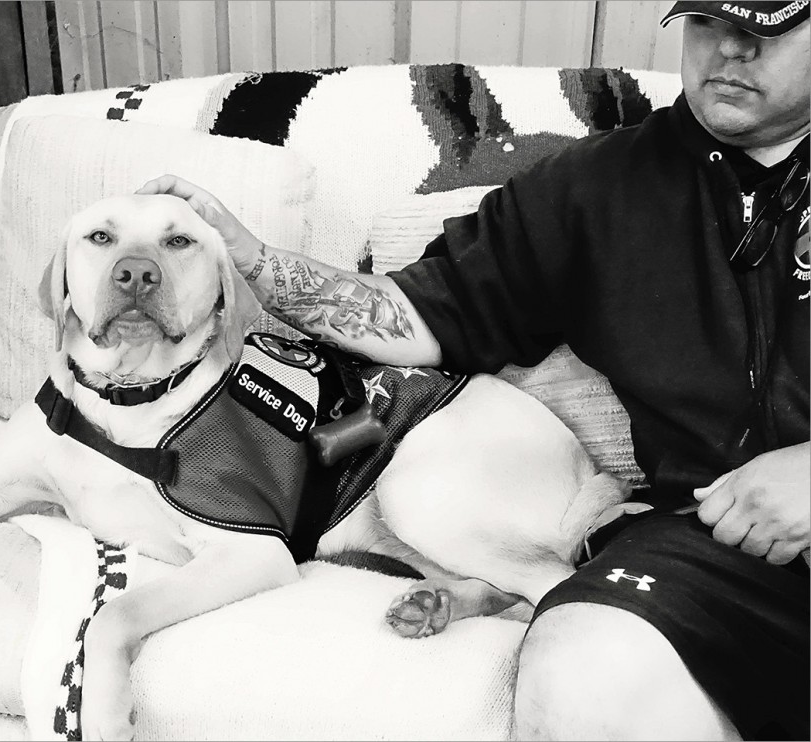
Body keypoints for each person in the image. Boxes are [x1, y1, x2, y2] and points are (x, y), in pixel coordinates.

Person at [138, 1, 810, 738]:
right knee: (579, 668)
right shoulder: (600, 187)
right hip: (708, 546)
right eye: (711, 22)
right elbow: (424, 314)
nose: (729, 52)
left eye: (766, 28)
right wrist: (255, 261)